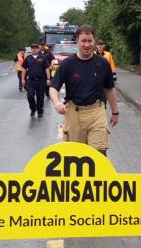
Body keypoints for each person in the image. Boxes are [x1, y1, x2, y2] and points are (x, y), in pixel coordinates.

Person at [49, 25, 118, 155]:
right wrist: (57, 102)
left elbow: (109, 89)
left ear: (94, 41)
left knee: (99, 154)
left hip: (96, 112)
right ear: (77, 41)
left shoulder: (102, 63)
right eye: (83, 41)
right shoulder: (67, 64)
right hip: (74, 113)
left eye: (90, 41)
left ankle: (100, 176)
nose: (87, 45)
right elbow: (53, 87)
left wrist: (115, 113)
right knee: (76, 156)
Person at [22, 42, 51, 117]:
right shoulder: (28, 58)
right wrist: (23, 79)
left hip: (41, 81)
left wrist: (48, 79)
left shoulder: (42, 58)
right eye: (33, 48)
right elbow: (24, 69)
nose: (34, 49)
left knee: (40, 97)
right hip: (31, 81)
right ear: (31, 50)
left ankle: (40, 111)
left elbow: (47, 68)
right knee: (30, 96)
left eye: (35, 48)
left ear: (38, 49)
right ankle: (33, 109)